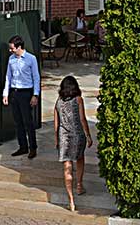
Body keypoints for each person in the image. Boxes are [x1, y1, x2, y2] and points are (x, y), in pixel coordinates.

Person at [53, 75, 92, 212]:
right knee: (80, 158)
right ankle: (79, 185)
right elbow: (82, 119)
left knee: (67, 166)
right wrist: (88, 135)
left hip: (64, 137)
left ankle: (71, 200)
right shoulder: (78, 100)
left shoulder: (58, 102)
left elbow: (56, 124)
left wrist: (56, 139)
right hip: (77, 135)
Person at [2, 35, 40, 158]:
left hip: (26, 93)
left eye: (12, 48)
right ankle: (22, 147)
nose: (10, 50)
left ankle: (33, 148)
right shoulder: (11, 59)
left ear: (19, 47)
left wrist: (35, 95)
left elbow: (36, 77)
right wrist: (6, 93)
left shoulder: (31, 59)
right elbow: (8, 76)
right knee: (18, 122)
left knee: (28, 122)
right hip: (14, 92)